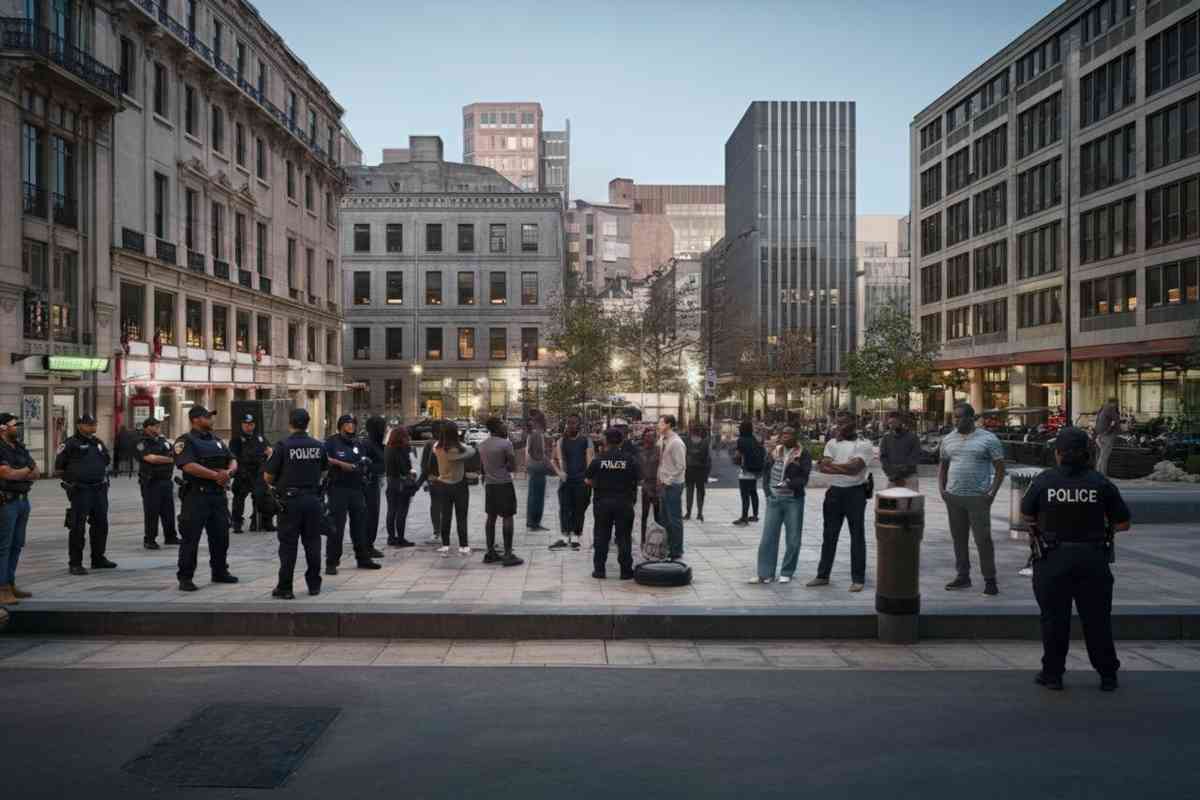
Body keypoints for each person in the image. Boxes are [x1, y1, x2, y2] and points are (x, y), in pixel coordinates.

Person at [1021, 427, 1132, 692]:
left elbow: (1027, 516)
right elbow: (1124, 523)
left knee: (1053, 620)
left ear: (1058, 453)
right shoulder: (1100, 483)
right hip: (1092, 559)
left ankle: (1053, 675)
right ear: (1086, 453)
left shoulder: (1044, 481)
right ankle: (1107, 675)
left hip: (1052, 559)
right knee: (1097, 619)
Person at [939, 402, 1006, 596]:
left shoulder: (988, 439)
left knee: (983, 540)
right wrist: (942, 490)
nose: (956, 420)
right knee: (958, 539)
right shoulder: (948, 439)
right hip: (954, 496)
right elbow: (942, 467)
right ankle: (963, 576)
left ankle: (990, 579)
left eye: (960, 417)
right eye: (955, 417)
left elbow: (1000, 468)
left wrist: (991, 493)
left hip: (978, 497)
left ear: (971, 418)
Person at [263, 408, 329, 600]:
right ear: (308, 423)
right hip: (313, 500)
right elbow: (324, 471)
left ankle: (285, 588)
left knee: (288, 546)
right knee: (313, 543)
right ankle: (314, 585)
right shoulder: (318, 445)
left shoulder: (283, 446)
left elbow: (268, 477)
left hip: (290, 502)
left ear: (290, 423)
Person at [173, 406, 238, 591]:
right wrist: (215, 475)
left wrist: (229, 471)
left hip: (218, 496)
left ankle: (219, 571)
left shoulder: (217, 441)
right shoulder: (185, 441)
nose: (211, 420)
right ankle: (185, 577)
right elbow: (187, 466)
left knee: (220, 536)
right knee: (190, 538)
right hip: (196, 496)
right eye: (207, 417)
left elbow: (232, 459)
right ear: (195, 419)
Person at [807, 410, 874, 592]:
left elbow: (855, 468)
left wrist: (833, 466)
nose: (840, 426)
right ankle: (823, 575)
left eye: (844, 422)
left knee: (857, 536)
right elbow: (823, 467)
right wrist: (843, 468)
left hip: (856, 493)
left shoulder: (864, 444)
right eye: (838, 423)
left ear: (854, 422)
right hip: (834, 493)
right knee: (829, 535)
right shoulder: (831, 443)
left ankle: (858, 578)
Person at [749, 427, 812, 584]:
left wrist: (790, 483)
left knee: (793, 538)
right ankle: (765, 573)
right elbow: (766, 473)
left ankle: (787, 571)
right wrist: (767, 492)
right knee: (768, 538)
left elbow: (804, 478)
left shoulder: (802, 454)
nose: (785, 436)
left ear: (796, 437)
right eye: (783, 434)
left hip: (793, 500)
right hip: (774, 500)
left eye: (790, 434)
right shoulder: (775, 451)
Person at [55, 413, 115, 575]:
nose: (93, 427)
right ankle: (75, 562)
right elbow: (59, 468)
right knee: (77, 526)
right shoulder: (69, 444)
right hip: (81, 490)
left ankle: (98, 558)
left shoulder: (98, 442)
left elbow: (107, 460)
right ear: (79, 425)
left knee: (101, 524)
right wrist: (73, 481)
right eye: (89, 424)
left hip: (99, 489)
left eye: (94, 424)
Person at [323, 414, 381, 574]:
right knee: (336, 526)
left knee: (360, 525)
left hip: (356, 488)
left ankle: (363, 558)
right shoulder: (331, 442)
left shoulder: (358, 442)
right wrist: (342, 464)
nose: (351, 426)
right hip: (338, 489)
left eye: (353, 423)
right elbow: (324, 459)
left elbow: (364, 460)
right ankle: (332, 562)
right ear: (341, 425)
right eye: (348, 423)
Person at [586, 427, 641, 579]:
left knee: (601, 536)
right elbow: (638, 478)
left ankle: (599, 570)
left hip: (603, 503)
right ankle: (625, 571)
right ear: (621, 441)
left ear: (605, 441)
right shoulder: (629, 459)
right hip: (624, 503)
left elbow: (588, 479)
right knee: (624, 537)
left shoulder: (599, 459)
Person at [0, 413, 37, 605]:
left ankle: (10, 583)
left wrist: (21, 473)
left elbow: (36, 471)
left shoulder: (20, 447)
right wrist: (25, 472)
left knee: (17, 544)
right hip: (6, 502)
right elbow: (6, 473)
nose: (18, 428)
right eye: (15, 425)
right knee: (3, 546)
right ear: (3, 428)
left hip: (23, 501)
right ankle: (2, 588)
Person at [478, 417, 524, 566]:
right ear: (497, 427)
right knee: (508, 517)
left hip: (490, 485)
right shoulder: (506, 444)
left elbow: (482, 467)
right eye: (503, 426)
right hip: (504, 484)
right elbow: (513, 466)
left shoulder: (483, 445)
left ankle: (490, 552)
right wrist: (505, 465)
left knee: (491, 517)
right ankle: (508, 554)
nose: (505, 428)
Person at [549, 413, 593, 550]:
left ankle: (575, 536)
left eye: (574, 423)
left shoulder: (586, 441)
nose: (571, 425)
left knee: (579, 509)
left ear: (579, 425)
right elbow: (553, 460)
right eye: (569, 423)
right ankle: (564, 535)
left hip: (581, 480)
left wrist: (588, 478)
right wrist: (559, 472)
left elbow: (590, 461)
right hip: (566, 481)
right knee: (564, 508)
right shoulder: (561, 441)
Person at [430, 422, 475, 556]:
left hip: (443, 484)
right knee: (461, 515)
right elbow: (472, 451)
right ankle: (463, 545)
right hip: (460, 484)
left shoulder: (437, 448)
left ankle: (445, 544)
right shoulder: (459, 449)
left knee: (445, 515)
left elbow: (435, 447)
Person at [136, 416, 179, 550]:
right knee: (152, 511)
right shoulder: (141, 442)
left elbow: (175, 453)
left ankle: (170, 536)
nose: (158, 428)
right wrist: (169, 460)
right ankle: (149, 539)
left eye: (158, 426)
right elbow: (150, 458)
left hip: (166, 480)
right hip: (151, 482)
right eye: (155, 426)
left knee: (168, 511)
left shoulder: (163, 440)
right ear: (147, 427)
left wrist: (171, 457)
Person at [229, 414, 271, 533]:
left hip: (257, 473)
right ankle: (237, 523)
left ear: (254, 425)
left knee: (259, 498)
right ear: (242, 425)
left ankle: (256, 522)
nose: (249, 427)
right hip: (243, 473)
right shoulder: (236, 439)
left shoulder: (259, 437)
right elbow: (233, 457)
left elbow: (268, 451)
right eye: (246, 424)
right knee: (239, 500)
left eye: (251, 424)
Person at [656, 414, 687, 560]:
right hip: (664, 483)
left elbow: (681, 466)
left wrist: (668, 480)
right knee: (665, 518)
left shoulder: (676, 443)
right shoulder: (663, 439)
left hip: (673, 484)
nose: (658, 425)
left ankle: (677, 549)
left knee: (674, 518)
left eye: (661, 423)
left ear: (668, 424)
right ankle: (668, 546)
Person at [384, 425, 417, 548]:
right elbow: (405, 469)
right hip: (401, 484)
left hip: (391, 483)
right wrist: (412, 474)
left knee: (391, 511)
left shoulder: (387, 448)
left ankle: (391, 537)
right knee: (402, 512)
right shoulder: (401, 449)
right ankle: (401, 538)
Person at [415, 420, 445, 544]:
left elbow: (424, 465)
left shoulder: (429, 444)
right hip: (447, 480)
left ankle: (437, 531)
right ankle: (443, 531)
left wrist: (424, 480)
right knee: (444, 506)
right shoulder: (447, 443)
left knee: (436, 505)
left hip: (434, 479)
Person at [362, 416, 387, 557]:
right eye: (382, 427)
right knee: (369, 516)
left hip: (374, 484)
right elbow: (366, 465)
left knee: (374, 515)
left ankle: (368, 544)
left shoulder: (378, 444)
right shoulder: (367, 444)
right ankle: (365, 546)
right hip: (368, 485)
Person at [732, 419, 764, 526]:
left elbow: (737, 455)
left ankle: (744, 517)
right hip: (755, 470)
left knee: (744, 494)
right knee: (753, 492)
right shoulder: (754, 439)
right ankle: (755, 515)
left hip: (746, 470)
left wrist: (734, 457)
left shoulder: (741, 440)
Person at [880, 411, 922, 490]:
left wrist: (900, 474)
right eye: (890, 423)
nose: (891, 425)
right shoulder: (886, 438)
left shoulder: (913, 437)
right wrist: (893, 476)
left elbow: (914, 457)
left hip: (909, 477)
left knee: (911, 501)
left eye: (894, 422)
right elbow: (883, 458)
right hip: (892, 478)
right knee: (891, 501)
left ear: (901, 421)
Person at [524, 410, 551, 532]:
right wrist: (544, 462)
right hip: (538, 467)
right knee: (537, 496)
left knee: (533, 495)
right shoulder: (537, 434)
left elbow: (530, 451)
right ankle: (534, 523)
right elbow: (537, 453)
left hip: (534, 467)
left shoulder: (534, 434)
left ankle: (532, 522)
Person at [683, 424, 712, 522]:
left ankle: (688, 512)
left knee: (689, 491)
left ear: (691, 432)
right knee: (700, 492)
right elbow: (708, 459)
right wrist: (707, 472)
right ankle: (700, 513)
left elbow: (684, 455)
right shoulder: (705, 442)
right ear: (700, 432)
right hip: (701, 470)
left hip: (689, 469)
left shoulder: (686, 441)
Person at [638, 428, 660, 544]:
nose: (650, 438)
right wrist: (642, 483)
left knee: (658, 515)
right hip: (646, 486)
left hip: (656, 485)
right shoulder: (640, 452)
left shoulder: (659, 451)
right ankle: (643, 539)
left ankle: (659, 539)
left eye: (652, 436)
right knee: (644, 515)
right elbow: (639, 471)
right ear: (644, 438)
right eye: (647, 436)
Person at [1093, 398, 1120, 478]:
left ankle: (1097, 474)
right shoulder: (1111, 408)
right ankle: (1102, 476)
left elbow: (1097, 422)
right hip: (1106, 436)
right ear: (1114, 403)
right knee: (1104, 456)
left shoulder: (1101, 409)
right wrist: (1110, 431)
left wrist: (1096, 435)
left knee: (1099, 456)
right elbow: (1115, 421)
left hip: (1099, 435)